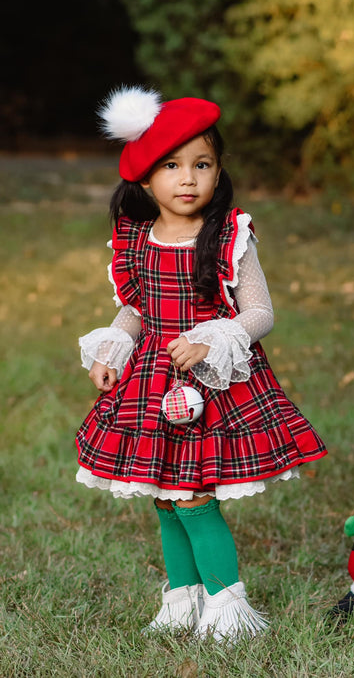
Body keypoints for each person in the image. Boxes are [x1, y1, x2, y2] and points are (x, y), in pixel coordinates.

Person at [75, 85, 327, 642]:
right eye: (171, 165)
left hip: (214, 385)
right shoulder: (135, 243)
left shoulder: (230, 236)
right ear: (144, 178)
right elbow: (135, 311)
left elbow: (261, 312)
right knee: (165, 499)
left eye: (202, 163)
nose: (187, 178)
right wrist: (113, 350)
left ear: (219, 171)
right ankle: (181, 599)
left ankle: (226, 606)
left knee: (193, 496)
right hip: (151, 384)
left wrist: (216, 337)